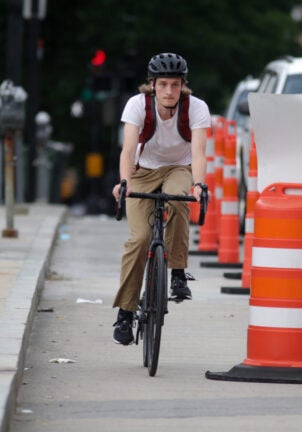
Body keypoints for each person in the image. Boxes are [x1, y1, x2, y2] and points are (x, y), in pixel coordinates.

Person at [111, 53, 211, 345]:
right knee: (140, 240)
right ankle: (126, 313)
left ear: (183, 85)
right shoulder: (137, 105)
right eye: (164, 84)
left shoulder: (196, 108)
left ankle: (178, 272)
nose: (169, 91)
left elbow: (199, 153)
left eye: (176, 85)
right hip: (142, 172)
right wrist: (124, 182)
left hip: (179, 169)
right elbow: (128, 150)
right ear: (152, 84)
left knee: (179, 198)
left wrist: (199, 185)